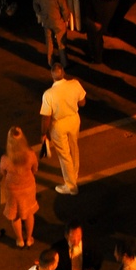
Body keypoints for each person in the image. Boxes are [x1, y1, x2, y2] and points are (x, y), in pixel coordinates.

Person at [40, 63, 86, 196]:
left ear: (51, 75)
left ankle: (71, 186)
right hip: (74, 119)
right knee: (74, 147)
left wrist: (44, 133)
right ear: (63, 72)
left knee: (64, 155)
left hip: (59, 124)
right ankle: (74, 173)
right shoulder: (75, 84)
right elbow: (82, 102)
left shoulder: (48, 94)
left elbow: (46, 117)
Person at [0, 126, 39, 248]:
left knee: (15, 215)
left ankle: (20, 239)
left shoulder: (5, 159)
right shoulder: (31, 155)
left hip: (13, 190)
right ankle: (29, 238)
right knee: (29, 213)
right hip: (28, 187)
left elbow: (3, 173)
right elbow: (35, 170)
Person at [32, 0, 71, 69]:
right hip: (58, 21)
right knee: (61, 43)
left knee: (49, 41)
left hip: (46, 20)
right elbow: (64, 9)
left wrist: (40, 13)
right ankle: (64, 63)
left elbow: (35, 5)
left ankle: (50, 62)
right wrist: (66, 19)